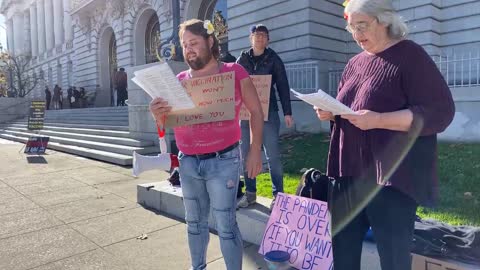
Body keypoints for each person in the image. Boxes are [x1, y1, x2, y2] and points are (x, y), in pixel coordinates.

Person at [314, 1, 455, 270]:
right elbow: (352, 110)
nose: (356, 34)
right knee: (343, 254)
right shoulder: (354, 63)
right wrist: (332, 113)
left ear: (385, 20)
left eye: (362, 25)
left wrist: (379, 120)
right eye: (351, 27)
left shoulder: (410, 56)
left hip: (391, 180)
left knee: (393, 260)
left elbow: (440, 112)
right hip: (348, 175)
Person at [149, 19, 264, 270]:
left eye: (194, 43)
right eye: (184, 44)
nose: (188, 49)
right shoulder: (178, 80)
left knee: (225, 224)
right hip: (188, 162)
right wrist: (158, 115)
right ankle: (197, 267)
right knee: (194, 223)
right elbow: (169, 122)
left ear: (210, 42)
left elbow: (256, 112)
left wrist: (255, 151)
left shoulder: (234, 72)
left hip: (224, 161)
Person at [236, 24, 294, 209]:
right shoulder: (242, 59)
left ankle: (279, 196)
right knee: (246, 154)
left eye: (263, 35)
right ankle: (250, 193)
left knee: (273, 155)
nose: (260, 38)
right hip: (245, 114)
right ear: (250, 38)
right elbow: (233, 85)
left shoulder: (274, 59)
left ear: (268, 39)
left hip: (269, 113)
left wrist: (287, 112)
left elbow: (283, 85)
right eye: (257, 35)